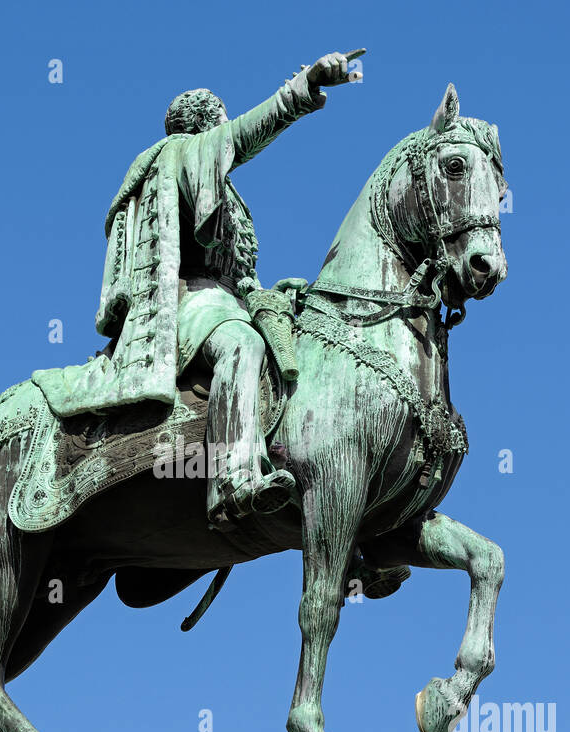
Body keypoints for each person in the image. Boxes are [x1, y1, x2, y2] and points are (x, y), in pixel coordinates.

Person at [33, 51, 362, 529]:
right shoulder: (180, 153)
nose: (225, 137)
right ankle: (232, 478)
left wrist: (268, 294)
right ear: (206, 128)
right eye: (221, 125)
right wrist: (302, 88)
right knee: (242, 346)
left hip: (226, 298)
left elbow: (239, 272)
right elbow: (244, 135)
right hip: (189, 300)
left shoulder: (220, 189)